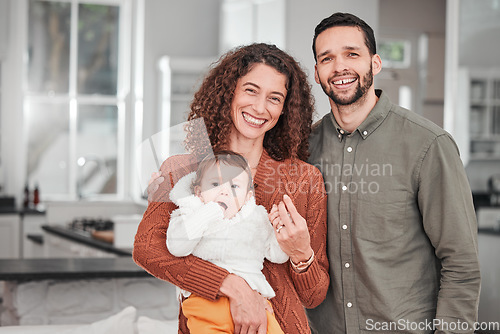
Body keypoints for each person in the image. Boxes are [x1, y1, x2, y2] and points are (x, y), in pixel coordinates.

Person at [133, 43, 330, 334]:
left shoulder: (306, 179)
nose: (260, 107)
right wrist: (234, 287)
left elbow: (314, 295)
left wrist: (302, 254)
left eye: (274, 98)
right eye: (250, 90)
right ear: (229, 92)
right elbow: (147, 249)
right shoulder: (178, 169)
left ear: (285, 110)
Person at [306, 12, 481, 334]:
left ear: (375, 63)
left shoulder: (428, 145)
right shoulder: (303, 150)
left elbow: (461, 263)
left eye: (352, 54)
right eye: (326, 58)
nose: (339, 67)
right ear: (317, 73)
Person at [166, 150, 288, 333]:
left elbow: (278, 256)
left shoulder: (257, 218)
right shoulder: (190, 213)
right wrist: (208, 213)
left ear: (248, 197)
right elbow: (176, 247)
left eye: (234, 187)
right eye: (215, 184)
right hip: (205, 302)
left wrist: (282, 231)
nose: (224, 191)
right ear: (199, 192)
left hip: (254, 304)